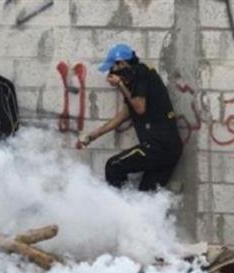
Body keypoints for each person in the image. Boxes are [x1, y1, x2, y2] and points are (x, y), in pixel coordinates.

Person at [76, 44, 182, 192]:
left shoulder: (140, 72)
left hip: (159, 146)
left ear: (122, 63)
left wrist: (120, 84)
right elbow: (121, 117)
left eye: (112, 69)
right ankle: (130, 213)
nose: (110, 74)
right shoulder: (135, 84)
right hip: (169, 149)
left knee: (114, 166)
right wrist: (91, 137)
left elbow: (139, 108)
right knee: (145, 200)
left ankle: (119, 210)